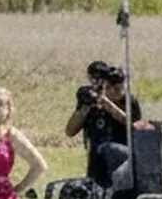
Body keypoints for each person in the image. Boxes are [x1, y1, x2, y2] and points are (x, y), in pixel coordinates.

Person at [61, 61, 143, 189]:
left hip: (123, 160)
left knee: (109, 149)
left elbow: (132, 124)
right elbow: (70, 131)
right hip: (96, 160)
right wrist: (85, 108)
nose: (117, 92)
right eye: (112, 88)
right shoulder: (92, 101)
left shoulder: (129, 102)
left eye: (118, 88)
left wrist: (107, 104)